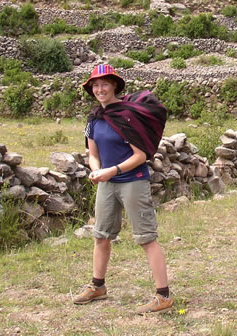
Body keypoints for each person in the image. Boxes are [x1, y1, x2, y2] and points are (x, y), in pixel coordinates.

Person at [72, 64, 173, 314]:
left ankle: (164, 296)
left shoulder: (127, 115)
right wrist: (96, 170)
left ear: (115, 85)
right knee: (101, 235)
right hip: (107, 183)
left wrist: (112, 171)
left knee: (146, 237)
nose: (99, 89)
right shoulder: (95, 119)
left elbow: (141, 155)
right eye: (95, 85)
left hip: (133, 181)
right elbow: (92, 153)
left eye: (104, 83)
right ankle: (98, 286)